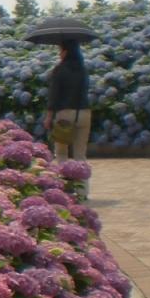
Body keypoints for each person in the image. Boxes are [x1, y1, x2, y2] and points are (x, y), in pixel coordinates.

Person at [44, 39, 91, 188]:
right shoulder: (83, 69)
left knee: (61, 153)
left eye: (60, 50)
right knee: (80, 154)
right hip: (84, 113)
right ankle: (83, 190)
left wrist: (49, 117)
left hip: (65, 115)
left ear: (65, 52)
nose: (59, 53)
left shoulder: (59, 70)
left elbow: (54, 95)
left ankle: (65, 187)